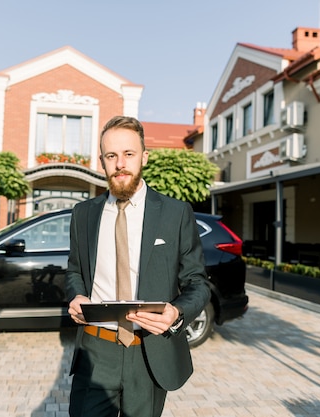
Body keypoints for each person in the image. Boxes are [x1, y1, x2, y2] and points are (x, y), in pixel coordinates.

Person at [66, 115, 211, 417]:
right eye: (111, 156)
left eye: (129, 154)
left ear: (144, 156)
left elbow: (198, 283)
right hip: (96, 349)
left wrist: (176, 312)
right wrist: (76, 295)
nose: (120, 163)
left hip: (150, 351)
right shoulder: (83, 214)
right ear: (102, 161)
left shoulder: (175, 213)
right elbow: (75, 271)